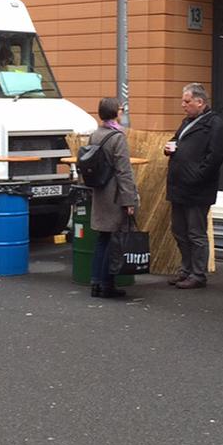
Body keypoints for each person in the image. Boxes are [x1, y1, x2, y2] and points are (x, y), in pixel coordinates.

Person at [164, 83, 223, 289]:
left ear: (200, 102)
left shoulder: (214, 124)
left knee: (195, 233)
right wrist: (170, 147)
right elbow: (177, 140)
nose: (183, 105)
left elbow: (215, 157)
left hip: (197, 188)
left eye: (187, 101)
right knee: (179, 230)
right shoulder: (187, 122)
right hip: (179, 186)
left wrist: (197, 176)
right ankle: (186, 270)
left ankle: (198, 274)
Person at [87, 97, 138, 300]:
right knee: (113, 239)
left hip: (100, 192)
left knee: (103, 238)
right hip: (115, 195)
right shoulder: (117, 138)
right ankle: (107, 284)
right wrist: (129, 200)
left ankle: (95, 282)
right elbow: (124, 171)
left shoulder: (95, 134)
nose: (122, 112)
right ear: (116, 113)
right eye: (121, 109)